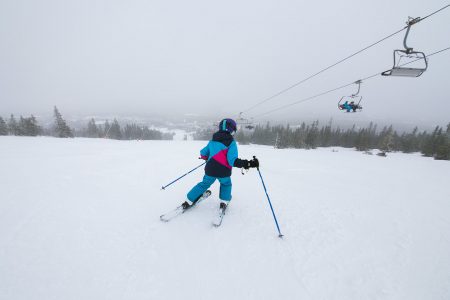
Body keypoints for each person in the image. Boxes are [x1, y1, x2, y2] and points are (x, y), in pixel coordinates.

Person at [182, 118, 258, 211]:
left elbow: (203, 152)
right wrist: (248, 163)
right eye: (234, 131)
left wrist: (207, 158)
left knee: (204, 184)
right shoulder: (231, 143)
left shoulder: (212, 141)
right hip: (224, 171)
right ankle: (224, 202)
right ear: (231, 130)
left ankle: (188, 200)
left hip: (210, 169)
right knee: (226, 184)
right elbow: (232, 161)